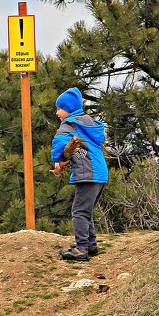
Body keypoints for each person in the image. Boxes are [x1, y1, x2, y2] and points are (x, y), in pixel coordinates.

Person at [50, 87, 108, 262]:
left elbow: (59, 147)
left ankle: (81, 248)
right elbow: (79, 149)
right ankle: (90, 244)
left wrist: (57, 162)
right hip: (100, 173)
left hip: (88, 173)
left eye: (59, 108)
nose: (57, 112)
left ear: (67, 109)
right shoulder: (87, 123)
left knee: (79, 212)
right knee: (86, 211)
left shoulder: (69, 124)